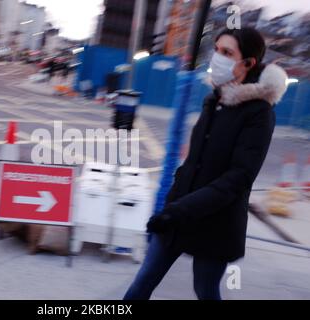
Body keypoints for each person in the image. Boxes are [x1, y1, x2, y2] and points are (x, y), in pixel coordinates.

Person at [123, 27, 288, 300]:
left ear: (248, 63)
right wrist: (171, 203)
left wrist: (178, 210)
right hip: (177, 214)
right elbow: (193, 162)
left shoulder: (259, 113)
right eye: (217, 50)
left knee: (205, 290)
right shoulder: (214, 99)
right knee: (142, 282)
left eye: (227, 53)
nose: (217, 58)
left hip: (216, 222)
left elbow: (239, 177)